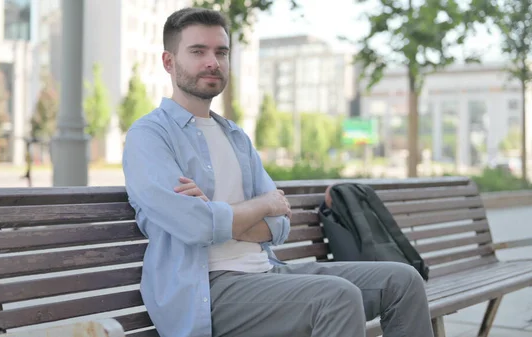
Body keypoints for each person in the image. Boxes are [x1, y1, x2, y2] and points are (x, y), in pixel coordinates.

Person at [122, 7, 434, 337]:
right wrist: (257, 207)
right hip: (207, 292)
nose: (212, 61)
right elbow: (196, 225)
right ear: (169, 62)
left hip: (269, 273)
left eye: (221, 52)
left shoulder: (236, 136)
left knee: (403, 280)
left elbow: (280, 224)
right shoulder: (150, 136)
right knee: (336, 299)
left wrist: (219, 216)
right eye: (198, 51)